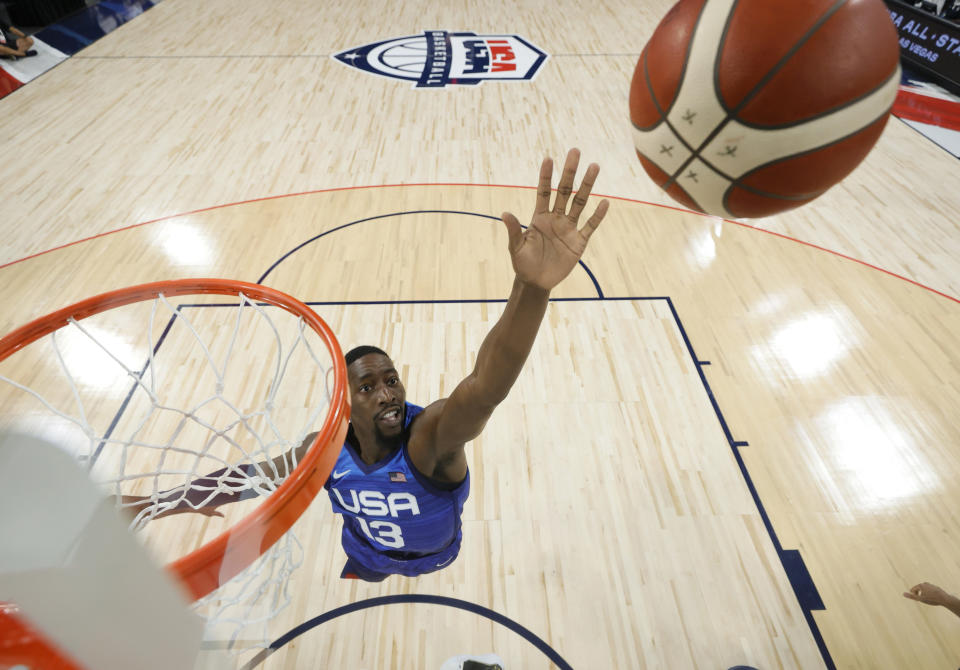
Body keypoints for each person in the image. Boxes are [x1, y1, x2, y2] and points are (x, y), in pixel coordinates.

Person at [120, 148, 609, 582]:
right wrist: (154, 504)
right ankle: (368, 571)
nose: (388, 393)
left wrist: (533, 287)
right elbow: (243, 480)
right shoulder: (325, 450)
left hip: (436, 554)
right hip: (368, 550)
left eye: (391, 380)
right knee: (366, 573)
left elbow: (486, 386)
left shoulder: (431, 437)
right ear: (345, 400)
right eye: (369, 386)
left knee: (391, 564)